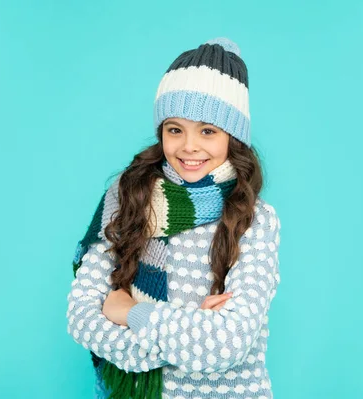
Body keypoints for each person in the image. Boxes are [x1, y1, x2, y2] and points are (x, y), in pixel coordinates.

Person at [66, 37, 282, 399]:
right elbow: (81, 315)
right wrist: (194, 331)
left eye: (208, 131)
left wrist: (131, 313)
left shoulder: (255, 219)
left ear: (233, 136)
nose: (189, 146)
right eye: (175, 129)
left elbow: (228, 345)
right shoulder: (127, 198)